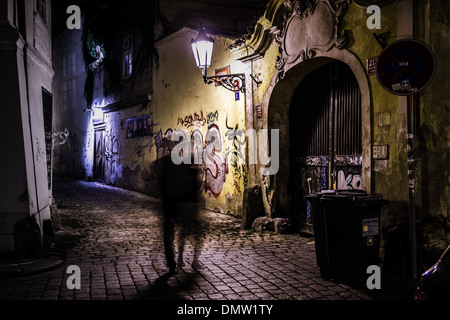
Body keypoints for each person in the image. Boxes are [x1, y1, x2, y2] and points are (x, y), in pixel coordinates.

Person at [156, 153, 203, 274]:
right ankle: (182, 260)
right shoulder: (184, 171)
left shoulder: (169, 172)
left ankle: (174, 262)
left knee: (171, 235)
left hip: (173, 207)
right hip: (179, 206)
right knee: (182, 234)